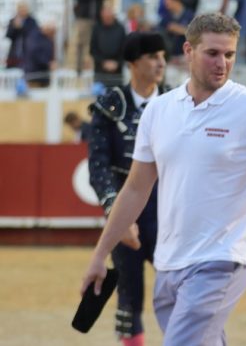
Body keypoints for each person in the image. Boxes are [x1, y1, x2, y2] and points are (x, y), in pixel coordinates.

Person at [80, 14, 246, 345]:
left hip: (221, 259)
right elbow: (135, 188)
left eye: (229, 55)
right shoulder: (159, 110)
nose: (222, 63)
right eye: (212, 53)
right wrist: (100, 255)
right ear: (188, 50)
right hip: (169, 263)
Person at [87, 32, 167, 346]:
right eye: (151, 56)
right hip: (126, 208)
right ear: (133, 64)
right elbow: (98, 165)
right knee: (129, 295)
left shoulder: (177, 100)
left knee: (180, 288)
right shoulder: (109, 105)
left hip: (168, 207)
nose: (161, 62)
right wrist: (115, 214)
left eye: (162, 55)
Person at [73, 0, 112, 74]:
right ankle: (79, 69)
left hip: (98, 17)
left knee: (98, 44)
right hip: (84, 16)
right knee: (82, 43)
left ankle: (96, 69)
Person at [91, 5, 128, 88]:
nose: (107, 18)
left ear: (113, 15)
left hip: (117, 74)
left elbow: (125, 49)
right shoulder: (96, 28)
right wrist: (103, 62)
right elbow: (93, 49)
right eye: (105, 15)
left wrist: (117, 63)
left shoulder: (120, 28)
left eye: (109, 15)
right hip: (100, 72)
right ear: (101, 15)